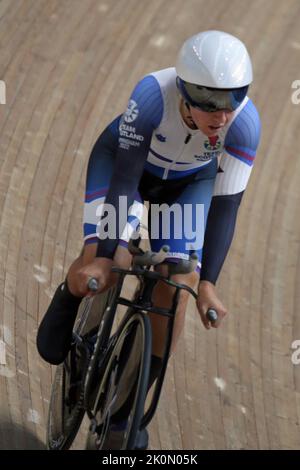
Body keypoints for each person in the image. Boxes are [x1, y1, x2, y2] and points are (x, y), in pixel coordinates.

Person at [37, 30, 261, 448]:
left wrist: (208, 283)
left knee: (177, 283)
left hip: (186, 185)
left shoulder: (245, 124)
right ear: (184, 90)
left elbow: (226, 205)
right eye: (209, 100)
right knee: (108, 264)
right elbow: (124, 183)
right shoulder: (153, 95)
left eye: (233, 97)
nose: (222, 113)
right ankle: (70, 296)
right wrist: (105, 254)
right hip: (126, 171)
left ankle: (126, 413)